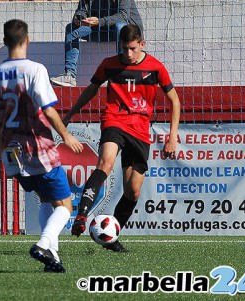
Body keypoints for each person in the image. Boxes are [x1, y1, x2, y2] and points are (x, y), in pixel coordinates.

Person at [63, 24, 180, 252]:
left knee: (133, 191)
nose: (127, 53)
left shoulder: (156, 68)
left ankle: (111, 236)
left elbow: (174, 100)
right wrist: (70, 113)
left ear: (142, 45)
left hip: (140, 130)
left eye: (132, 48)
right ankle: (82, 215)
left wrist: (172, 136)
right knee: (105, 163)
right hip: (114, 121)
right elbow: (92, 89)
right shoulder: (109, 65)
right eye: (124, 48)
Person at [0, 19, 84, 272]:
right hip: (37, 145)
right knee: (65, 206)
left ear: (5, 42)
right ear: (27, 40)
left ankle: (52, 257)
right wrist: (65, 135)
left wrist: (1, 149)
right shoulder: (35, 70)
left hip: (12, 150)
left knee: (45, 199)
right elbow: (48, 110)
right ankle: (43, 244)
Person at [49, 0, 143, 87]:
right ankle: (69, 75)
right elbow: (82, 9)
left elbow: (123, 15)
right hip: (98, 29)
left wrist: (99, 21)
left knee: (120, 27)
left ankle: (124, 71)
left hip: (119, 30)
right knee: (71, 28)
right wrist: (79, 18)